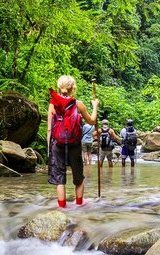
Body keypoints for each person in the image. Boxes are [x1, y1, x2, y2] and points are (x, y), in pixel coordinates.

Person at [47, 75, 99, 208]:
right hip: (74, 144)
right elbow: (92, 121)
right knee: (78, 178)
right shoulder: (78, 104)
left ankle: (62, 209)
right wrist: (95, 106)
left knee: (60, 180)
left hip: (57, 144)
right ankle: (79, 206)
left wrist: (49, 149)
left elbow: (49, 129)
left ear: (59, 87)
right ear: (72, 89)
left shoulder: (53, 104)